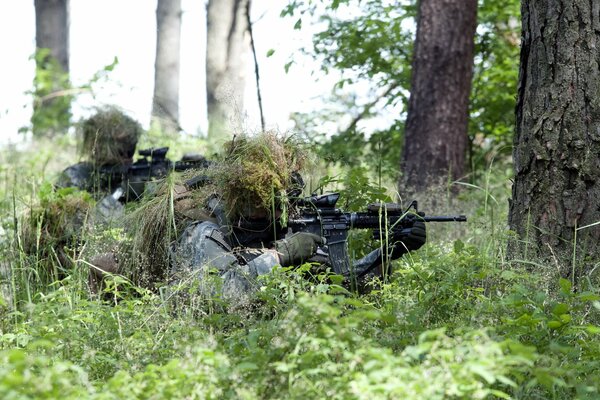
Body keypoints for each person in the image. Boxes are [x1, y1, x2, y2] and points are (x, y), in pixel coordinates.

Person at [169, 133, 427, 303]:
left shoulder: (295, 226)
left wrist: (387, 253)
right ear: (237, 198)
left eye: (275, 201)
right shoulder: (207, 231)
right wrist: (279, 256)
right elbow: (222, 297)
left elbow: (348, 287)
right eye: (256, 199)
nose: (267, 210)